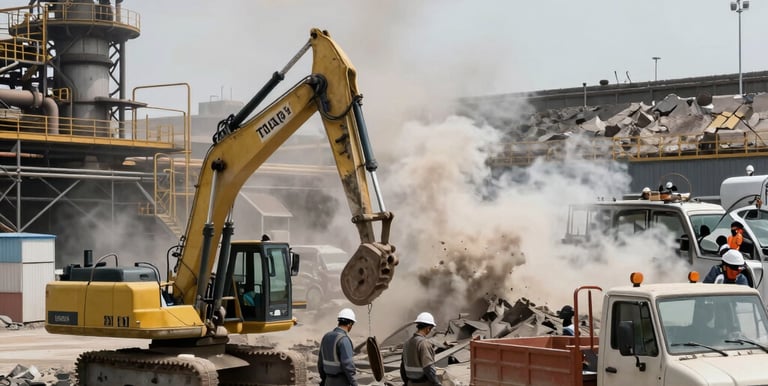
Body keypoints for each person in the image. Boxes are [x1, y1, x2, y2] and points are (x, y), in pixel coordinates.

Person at [318, 308, 358, 386]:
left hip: (328, 381)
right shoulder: (344, 340)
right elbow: (348, 364)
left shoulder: (326, 336)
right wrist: (354, 383)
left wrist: (324, 380)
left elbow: (320, 363)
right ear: (349, 324)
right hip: (341, 382)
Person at [401, 312, 441, 386]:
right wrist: (436, 383)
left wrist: (406, 383)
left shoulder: (406, 343)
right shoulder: (424, 343)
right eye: (431, 329)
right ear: (428, 328)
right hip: (423, 383)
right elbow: (428, 368)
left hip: (410, 383)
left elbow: (402, 367)